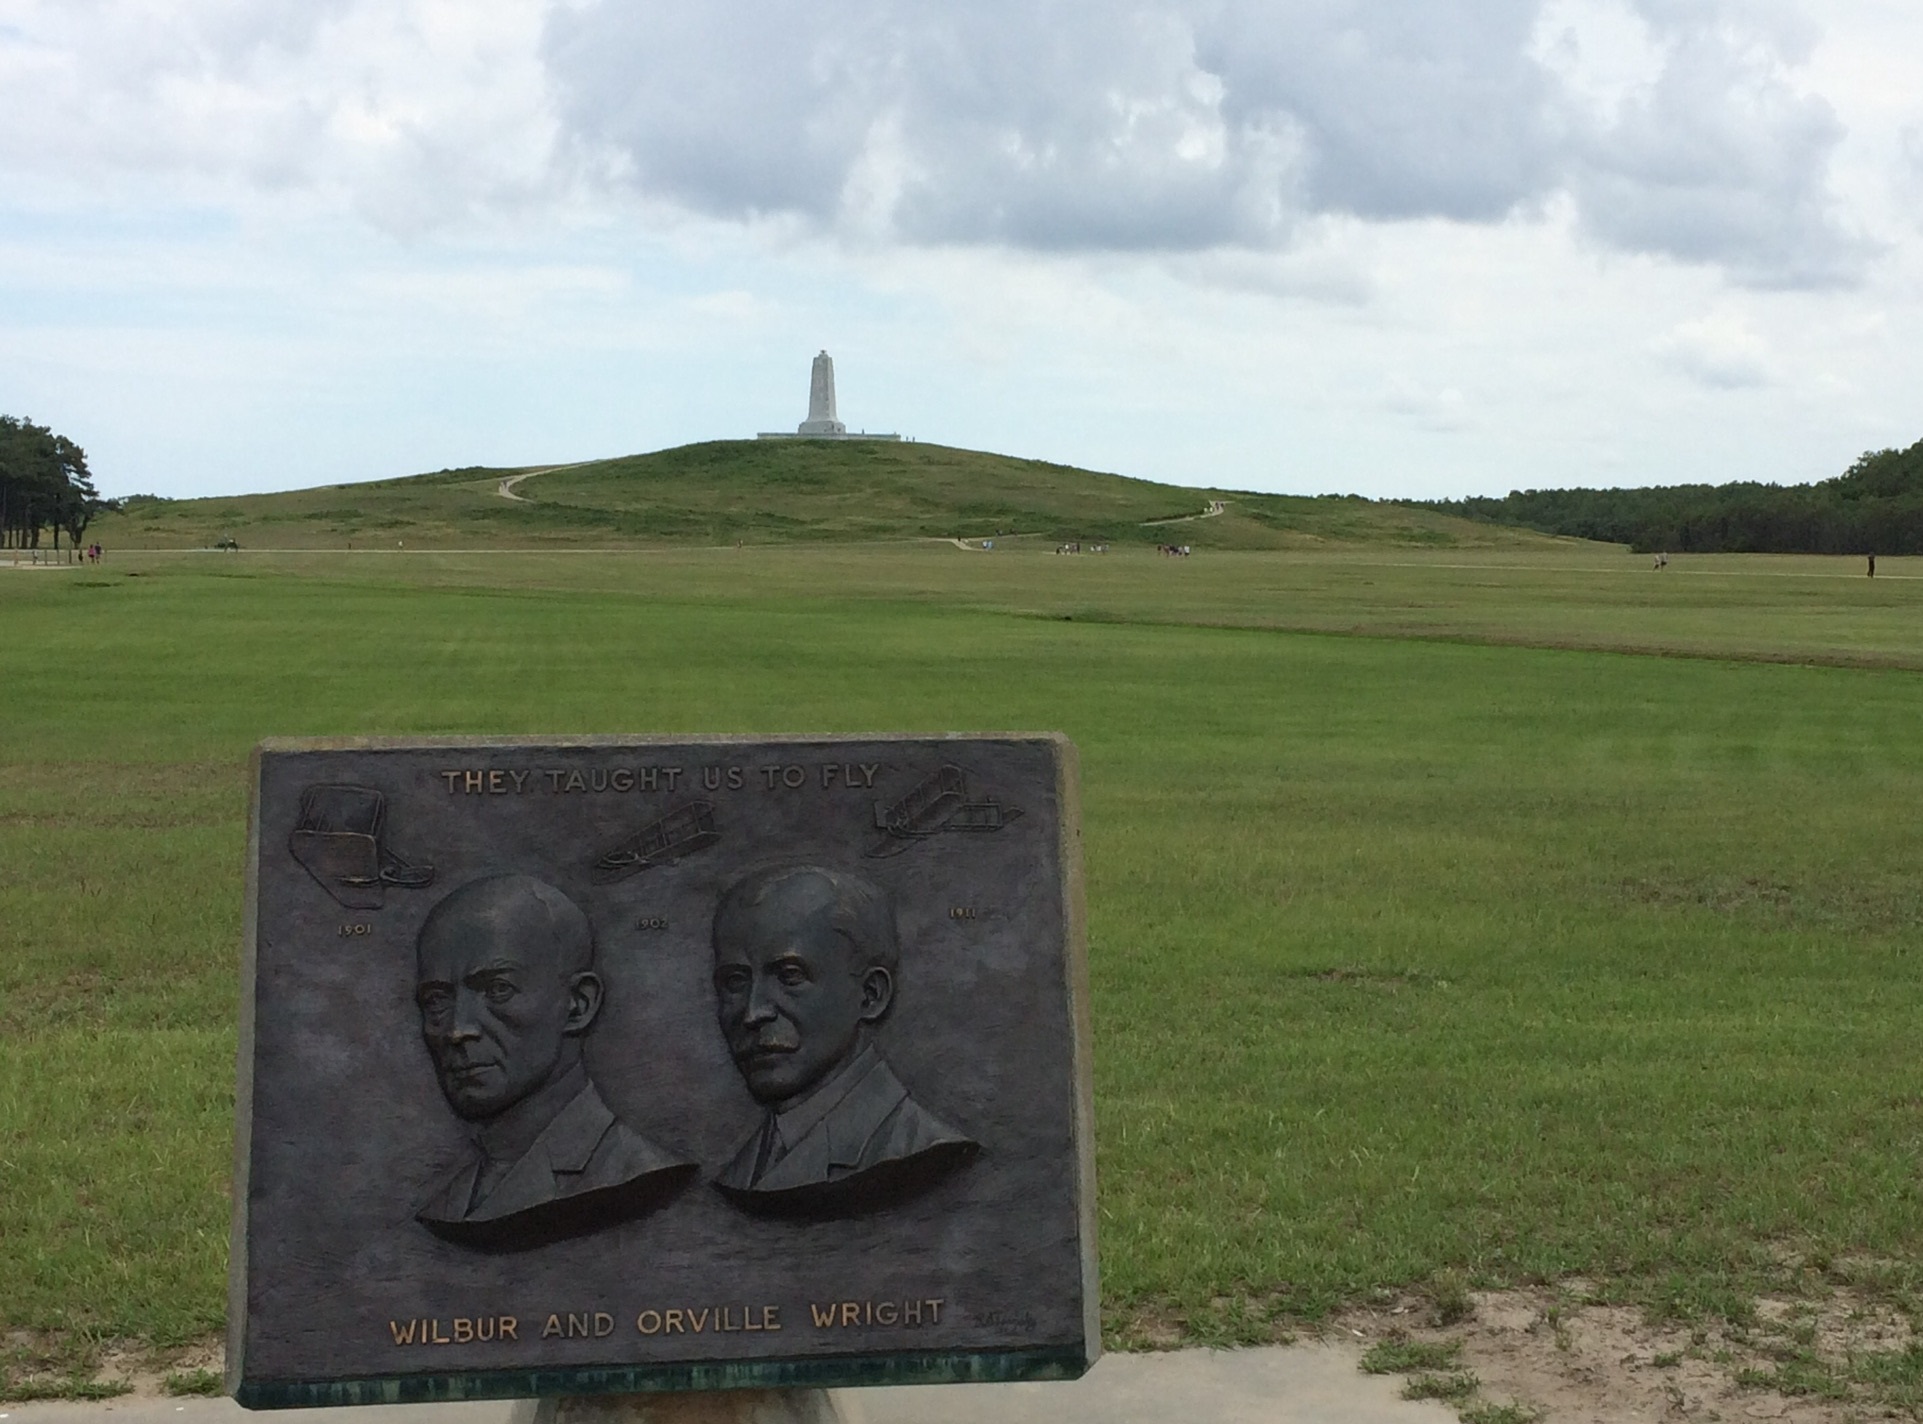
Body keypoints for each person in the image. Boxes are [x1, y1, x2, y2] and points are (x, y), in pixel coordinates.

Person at [412, 875, 693, 1247]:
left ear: (578, 1004)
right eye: (436, 1001)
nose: (457, 1030)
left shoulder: (629, 1170)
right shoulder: (451, 1201)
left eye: (498, 989)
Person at [709, 864, 978, 1215]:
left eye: (790, 976)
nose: (753, 1012)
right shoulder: (741, 1173)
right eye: (734, 982)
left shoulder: (921, 1150)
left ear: (870, 995)